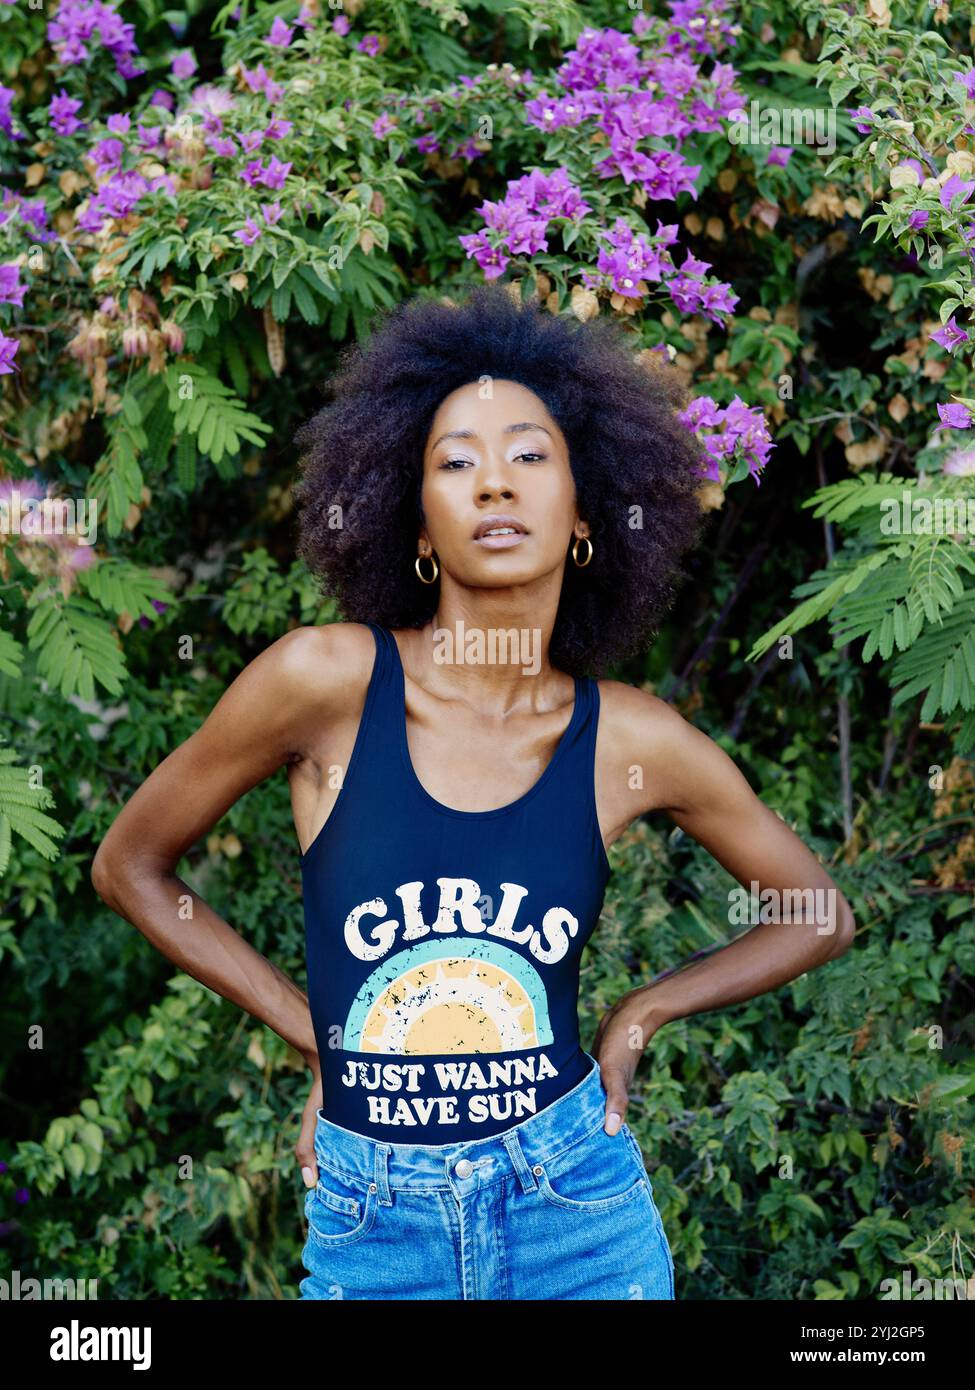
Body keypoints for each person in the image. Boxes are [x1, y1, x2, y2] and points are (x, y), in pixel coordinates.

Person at [91, 283, 855, 1300]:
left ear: (585, 515)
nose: (495, 484)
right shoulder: (323, 684)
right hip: (378, 1226)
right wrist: (312, 1032)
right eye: (456, 463)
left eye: (530, 456)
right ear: (417, 525)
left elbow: (817, 912)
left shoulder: (629, 737)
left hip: (575, 1211)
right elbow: (130, 866)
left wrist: (642, 1012)